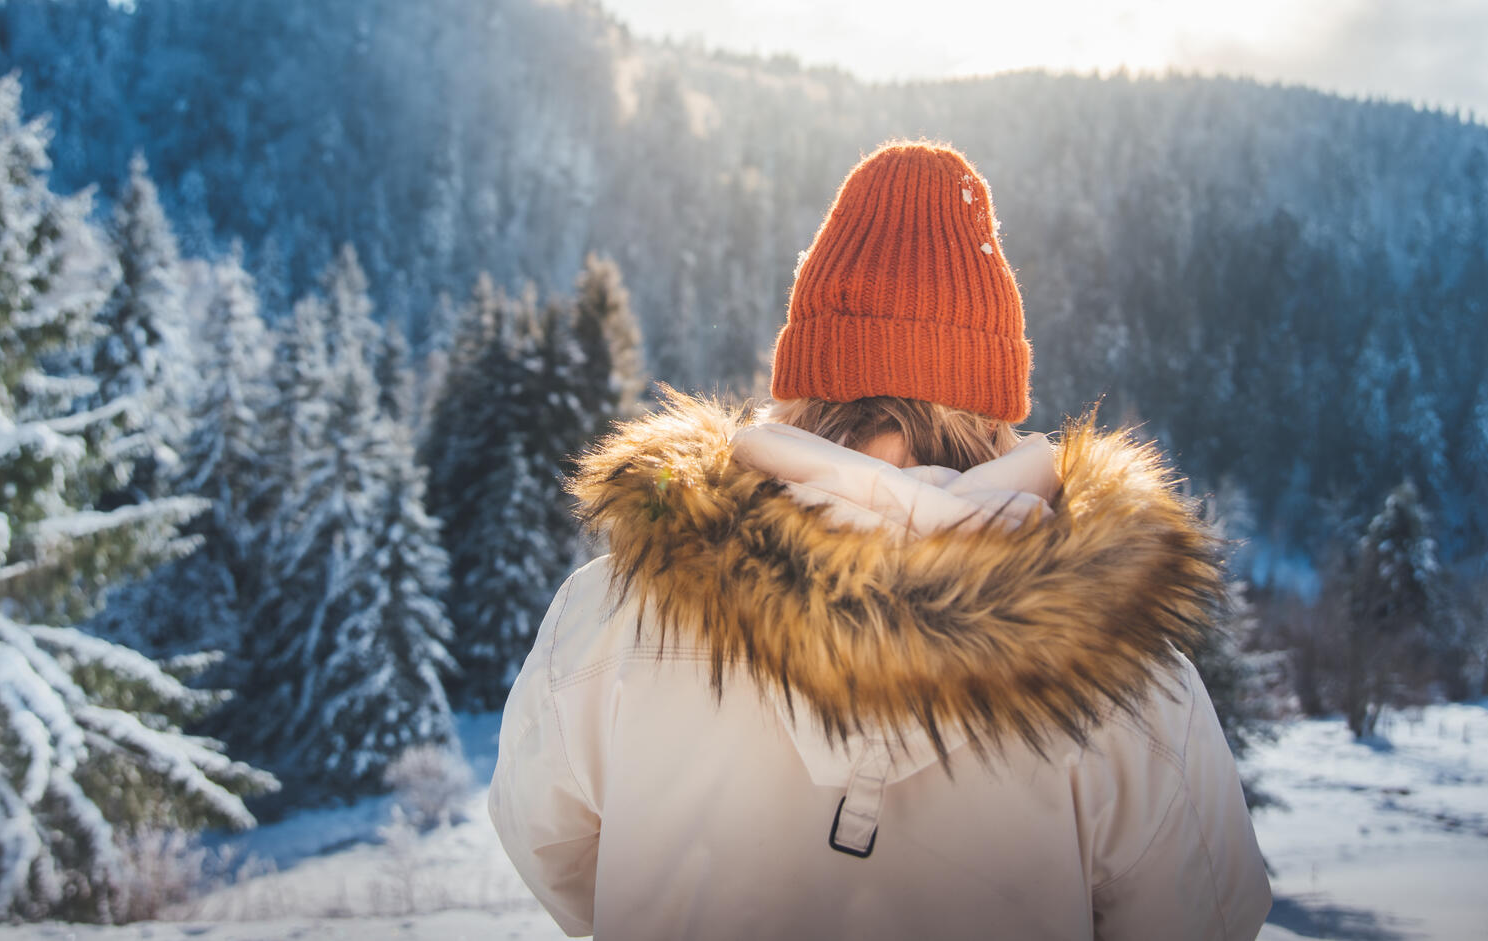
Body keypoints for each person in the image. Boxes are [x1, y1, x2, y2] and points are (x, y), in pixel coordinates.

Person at [488, 140, 1272, 940]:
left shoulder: (613, 612)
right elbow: (1210, 917)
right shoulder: (1129, 677)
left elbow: (557, 860)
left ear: (805, 377)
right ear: (992, 402)